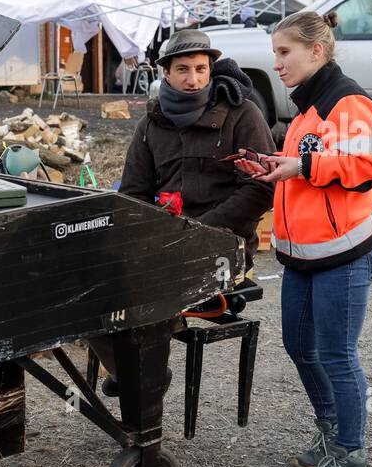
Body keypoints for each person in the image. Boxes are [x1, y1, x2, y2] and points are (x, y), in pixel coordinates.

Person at [234, 9, 372, 467]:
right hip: (301, 256)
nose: (276, 64)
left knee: (338, 355)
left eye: (284, 52)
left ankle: (352, 454)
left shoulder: (350, 103)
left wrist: (300, 165)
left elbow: (366, 166)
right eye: (274, 53)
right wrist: (277, 167)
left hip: (343, 255)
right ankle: (329, 432)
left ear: (315, 51)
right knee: (300, 347)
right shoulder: (304, 112)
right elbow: (307, 169)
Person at [94, 29, 275, 395]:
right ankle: (131, 371)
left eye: (200, 69)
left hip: (225, 246)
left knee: (146, 285)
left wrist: (196, 232)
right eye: (183, 70)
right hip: (163, 240)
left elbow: (261, 188)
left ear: (211, 70)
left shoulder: (242, 114)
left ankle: (145, 378)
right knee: (89, 277)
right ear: (165, 73)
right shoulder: (150, 123)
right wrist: (144, 237)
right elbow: (133, 193)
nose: (193, 80)